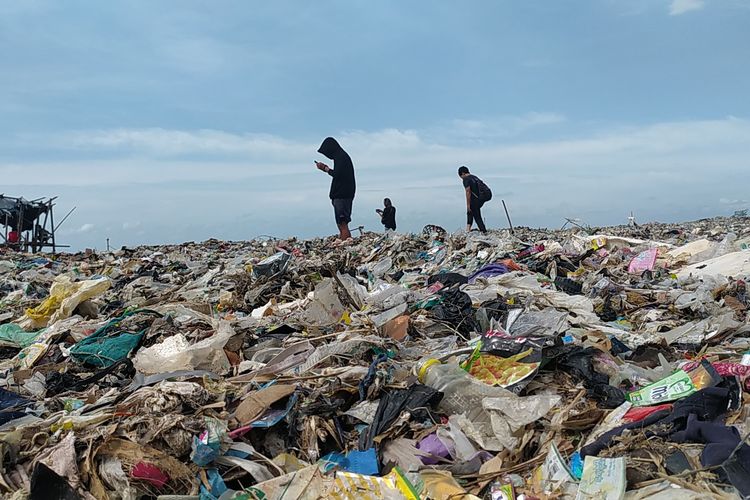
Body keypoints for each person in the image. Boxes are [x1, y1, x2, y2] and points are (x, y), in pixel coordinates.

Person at [315, 137, 356, 241]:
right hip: (343, 194)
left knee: (342, 223)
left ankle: (345, 243)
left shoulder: (341, 157)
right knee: (341, 223)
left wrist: (325, 168)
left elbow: (337, 174)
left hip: (342, 195)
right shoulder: (341, 157)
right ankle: (344, 242)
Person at [458, 165, 492, 233]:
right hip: (487, 195)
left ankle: (483, 231)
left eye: (461, 177)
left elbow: (468, 192)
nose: (461, 178)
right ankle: (468, 228)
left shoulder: (466, 179)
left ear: (462, 174)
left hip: (479, 198)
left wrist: (467, 205)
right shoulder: (474, 177)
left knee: (476, 214)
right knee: (472, 209)